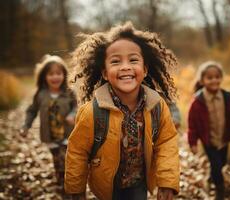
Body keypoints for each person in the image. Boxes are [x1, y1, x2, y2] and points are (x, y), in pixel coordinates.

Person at [64, 22, 180, 200]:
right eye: (116, 61)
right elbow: (77, 152)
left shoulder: (157, 106)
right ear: (104, 72)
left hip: (138, 186)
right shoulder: (93, 112)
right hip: (106, 187)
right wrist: (76, 189)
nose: (125, 67)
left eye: (133, 60)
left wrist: (167, 181)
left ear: (145, 69)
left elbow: (167, 142)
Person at [187, 61, 230, 200]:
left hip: (224, 138)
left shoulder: (229, 98)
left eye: (217, 77)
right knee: (216, 165)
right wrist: (193, 142)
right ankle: (220, 191)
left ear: (221, 78)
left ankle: (211, 177)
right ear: (202, 80)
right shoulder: (198, 102)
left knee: (222, 163)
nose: (214, 80)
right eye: (209, 78)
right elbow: (192, 124)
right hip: (209, 141)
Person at [20, 54, 77, 198]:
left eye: (59, 73)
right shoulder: (41, 94)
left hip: (67, 135)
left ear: (64, 75)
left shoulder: (69, 93)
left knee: (66, 161)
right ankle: (61, 183)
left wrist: (72, 114)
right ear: (44, 76)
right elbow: (32, 110)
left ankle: (71, 187)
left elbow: (77, 107)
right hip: (50, 137)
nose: (55, 77)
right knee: (58, 163)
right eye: (51, 74)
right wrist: (26, 126)